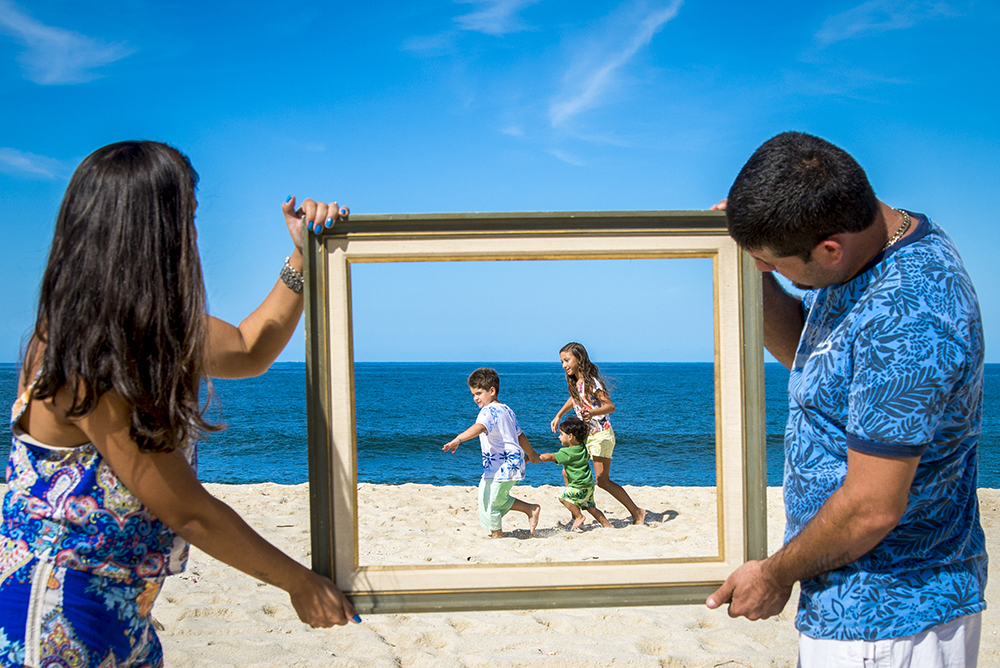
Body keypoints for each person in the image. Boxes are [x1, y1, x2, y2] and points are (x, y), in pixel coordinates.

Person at [0, 141, 358, 668]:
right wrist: (297, 581)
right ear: (147, 229)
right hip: (55, 610)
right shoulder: (83, 347)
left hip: (125, 612)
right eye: (185, 218)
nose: (191, 236)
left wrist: (304, 254)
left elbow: (247, 348)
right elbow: (187, 511)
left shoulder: (147, 329)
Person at [705, 132, 986, 666]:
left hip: (891, 617)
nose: (764, 268)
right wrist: (756, 267)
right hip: (862, 603)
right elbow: (815, 362)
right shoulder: (869, 247)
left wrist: (773, 574)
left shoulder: (906, 317)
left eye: (772, 263)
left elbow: (870, 508)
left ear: (829, 248)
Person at [549, 342, 645, 525]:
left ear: (579, 359)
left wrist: (591, 412)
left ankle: (637, 512)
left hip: (600, 435)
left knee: (602, 480)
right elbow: (575, 398)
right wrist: (559, 414)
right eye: (562, 361)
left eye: (567, 360)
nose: (564, 365)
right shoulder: (576, 382)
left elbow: (610, 406)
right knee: (567, 471)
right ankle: (576, 513)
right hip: (586, 435)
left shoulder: (592, 382)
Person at [442, 367, 541, 538]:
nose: (475, 398)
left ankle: (497, 535)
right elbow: (520, 435)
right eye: (473, 394)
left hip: (504, 465)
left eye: (479, 393)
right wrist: (531, 453)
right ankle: (530, 509)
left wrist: (458, 439)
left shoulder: (487, 412)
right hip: (503, 465)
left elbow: (479, 427)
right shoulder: (507, 409)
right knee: (486, 495)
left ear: (492, 391)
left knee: (492, 502)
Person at [539, 416, 613, 531]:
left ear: (570, 436)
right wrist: (587, 423)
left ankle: (579, 517)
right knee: (591, 508)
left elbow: (551, 457)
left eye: (561, 434)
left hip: (579, 486)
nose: (559, 437)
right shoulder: (582, 445)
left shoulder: (567, 452)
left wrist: (535, 457)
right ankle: (607, 525)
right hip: (588, 485)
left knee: (563, 498)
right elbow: (586, 433)